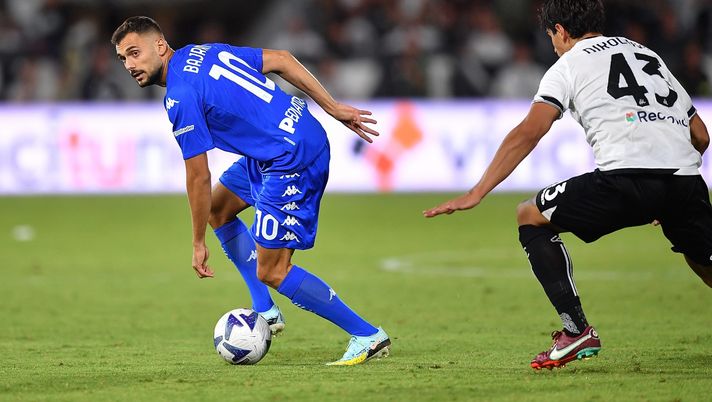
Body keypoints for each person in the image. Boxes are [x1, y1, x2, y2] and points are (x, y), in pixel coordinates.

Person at [424, 0, 711, 370]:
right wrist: (667, 178)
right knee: (702, 255)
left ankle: (576, 331)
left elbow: (531, 130)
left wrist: (476, 191)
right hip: (685, 179)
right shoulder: (645, 53)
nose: (553, 45)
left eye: (552, 37)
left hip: (624, 178)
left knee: (530, 215)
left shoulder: (569, 64)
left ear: (560, 31)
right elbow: (700, 135)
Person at [111, 16, 390, 366]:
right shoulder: (203, 52)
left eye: (135, 53)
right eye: (123, 58)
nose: (130, 64)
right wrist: (330, 108)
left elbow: (197, 176)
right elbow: (283, 59)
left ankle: (366, 335)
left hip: (290, 156)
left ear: (161, 46)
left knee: (273, 270)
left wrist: (198, 242)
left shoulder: (180, 96)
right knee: (218, 209)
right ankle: (265, 310)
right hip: (284, 140)